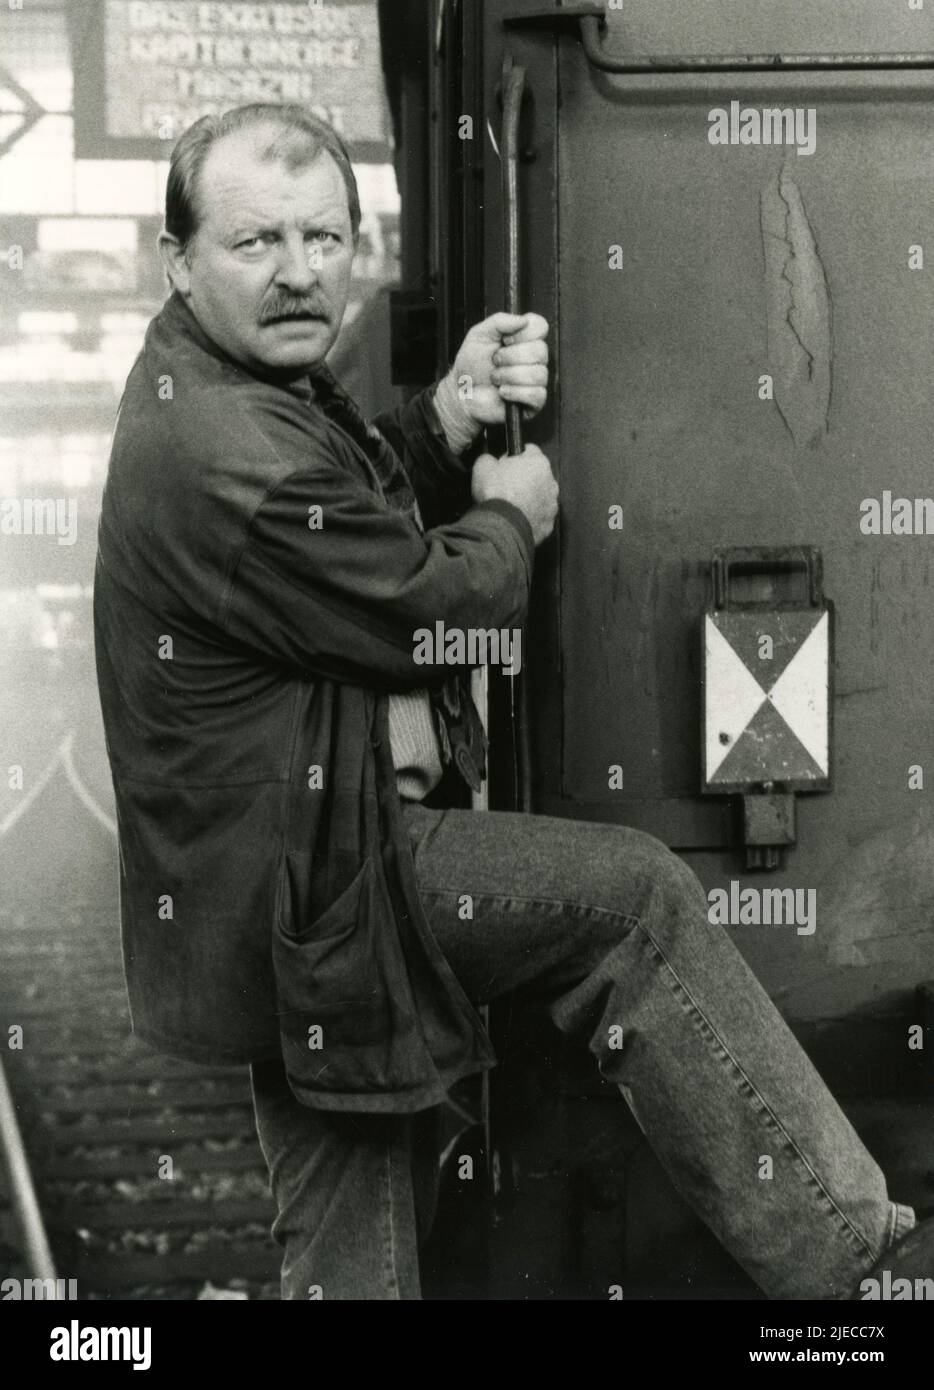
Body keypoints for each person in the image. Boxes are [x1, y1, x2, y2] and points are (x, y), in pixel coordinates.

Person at [93, 102, 933, 1301]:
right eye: (256, 242)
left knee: (349, 1206)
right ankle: (851, 1266)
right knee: (634, 900)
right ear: (177, 260)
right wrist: (511, 516)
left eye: (323, 240)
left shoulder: (222, 385)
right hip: (326, 888)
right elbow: (419, 604)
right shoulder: (223, 443)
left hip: (283, 890)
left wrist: (443, 418)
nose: (297, 273)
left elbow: (345, 504)